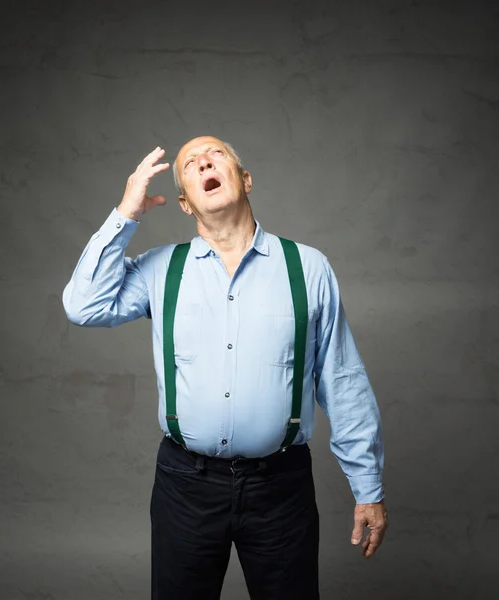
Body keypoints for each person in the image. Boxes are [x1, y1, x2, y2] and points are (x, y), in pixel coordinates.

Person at [62, 136, 389, 599]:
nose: (203, 163)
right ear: (184, 203)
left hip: (281, 487)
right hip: (185, 487)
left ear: (245, 179)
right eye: (190, 163)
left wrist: (368, 487)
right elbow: (82, 306)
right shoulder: (161, 270)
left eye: (215, 155)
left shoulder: (308, 268)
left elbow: (343, 381)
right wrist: (125, 214)